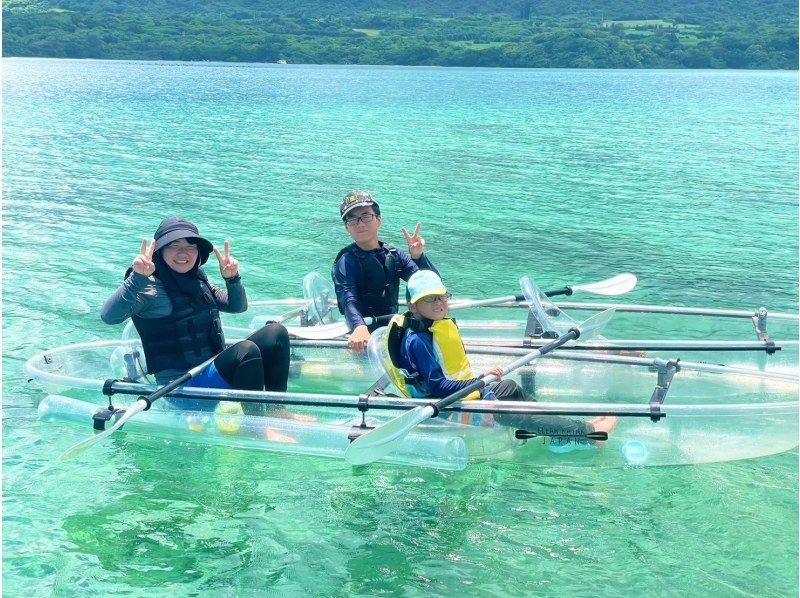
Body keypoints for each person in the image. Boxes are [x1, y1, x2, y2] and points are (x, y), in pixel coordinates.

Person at [379, 270, 618, 447]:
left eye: (442, 297)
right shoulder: (418, 340)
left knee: (510, 387)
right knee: (509, 410)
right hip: (445, 405)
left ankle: (560, 429)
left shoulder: (431, 327)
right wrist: (480, 381)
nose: (440, 303)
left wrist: (480, 383)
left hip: (461, 393)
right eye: (430, 299)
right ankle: (589, 435)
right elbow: (437, 387)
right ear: (412, 306)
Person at [100, 216, 290, 414]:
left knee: (275, 333)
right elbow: (108, 316)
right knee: (246, 350)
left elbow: (237, 306)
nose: (183, 252)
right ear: (159, 251)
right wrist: (137, 277)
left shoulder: (198, 280)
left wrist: (232, 279)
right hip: (181, 389)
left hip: (212, 372)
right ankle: (257, 426)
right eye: (174, 245)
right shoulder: (148, 288)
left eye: (191, 246)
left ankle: (278, 411)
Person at [332, 190, 438, 354]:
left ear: (378, 220)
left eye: (366, 216)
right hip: (363, 337)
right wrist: (358, 326)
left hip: (391, 331)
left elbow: (429, 285)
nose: (360, 224)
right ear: (347, 228)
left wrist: (418, 256)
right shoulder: (346, 261)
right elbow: (347, 298)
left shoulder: (393, 255)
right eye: (353, 220)